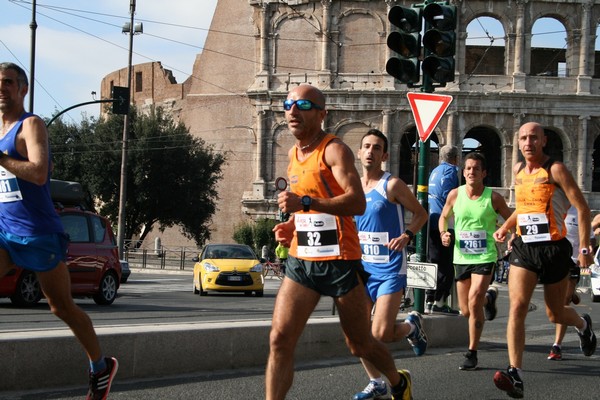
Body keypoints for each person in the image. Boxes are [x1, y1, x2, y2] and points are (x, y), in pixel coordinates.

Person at [266, 84, 413, 400]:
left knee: (359, 343)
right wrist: (293, 226)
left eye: (303, 105)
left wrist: (304, 203)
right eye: (288, 103)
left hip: (339, 261)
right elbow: (309, 206)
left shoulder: (335, 150)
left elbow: (356, 202)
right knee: (279, 339)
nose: (293, 110)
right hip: (302, 261)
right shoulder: (293, 154)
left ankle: (398, 383)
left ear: (322, 113)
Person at [0, 62, 118, 399]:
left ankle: (100, 366)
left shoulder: (30, 125)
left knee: (61, 306)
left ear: (22, 89)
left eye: (8, 82)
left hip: (38, 232)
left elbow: (38, 173)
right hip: (4, 231)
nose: (1, 88)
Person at [492, 122, 596, 398]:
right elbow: (524, 209)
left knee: (555, 313)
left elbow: (583, 208)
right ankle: (516, 373)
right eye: (523, 138)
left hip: (554, 248)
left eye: (533, 138)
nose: (528, 143)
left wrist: (585, 248)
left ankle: (583, 325)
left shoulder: (556, 170)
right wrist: (506, 226)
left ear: (544, 141)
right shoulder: (517, 171)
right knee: (517, 307)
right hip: (525, 247)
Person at [352, 129, 429, 400]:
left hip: (389, 270)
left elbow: (421, 213)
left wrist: (407, 235)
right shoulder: (352, 188)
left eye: (376, 148)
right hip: (361, 270)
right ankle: (376, 382)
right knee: (359, 335)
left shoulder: (392, 185)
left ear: (384, 155)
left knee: (381, 332)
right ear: (359, 153)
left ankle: (411, 327)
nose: (370, 152)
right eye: (366, 147)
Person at [439, 152, 513, 370]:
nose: (472, 172)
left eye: (476, 169)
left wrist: (504, 232)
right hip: (461, 256)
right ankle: (489, 299)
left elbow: (510, 219)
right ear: (463, 172)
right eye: (468, 168)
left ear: (484, 173)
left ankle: (472, 352)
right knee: (465, 310)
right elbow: (444, 216)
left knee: (474, 300)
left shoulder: (493, 198)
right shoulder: (454, 194)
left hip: (485, 255)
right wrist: (444, 233)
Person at [547, 205, 595, 360]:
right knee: (552, 308)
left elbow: (591, 238)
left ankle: (557, 346)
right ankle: (582, 322)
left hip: (572, 262)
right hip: (551, 261)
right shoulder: (549, 206)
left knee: (562, 303)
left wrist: (587, 250)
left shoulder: (579, 210)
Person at [426, 144, 460, 314]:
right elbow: (451, 197)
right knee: (446, 265)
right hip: (445, 223)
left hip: (431, 220)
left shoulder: (434, 171)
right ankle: (440, 303)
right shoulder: (452, 171)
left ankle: (430, 299)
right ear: (455, 158)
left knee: (434, 262)